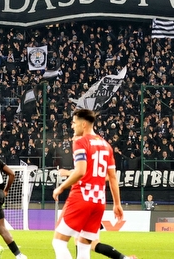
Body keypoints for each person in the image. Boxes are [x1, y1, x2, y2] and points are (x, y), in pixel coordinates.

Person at [52, 109, 135, 259]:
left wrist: (61, 187)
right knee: (84, 246)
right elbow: (113, 177)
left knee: (59, 242)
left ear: (83, 124)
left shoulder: (80, 142)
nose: (72, 126)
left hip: (81, 198)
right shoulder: (106, 145)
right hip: (99, 202)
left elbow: (81, 171)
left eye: (74, 123)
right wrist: (117, 204)